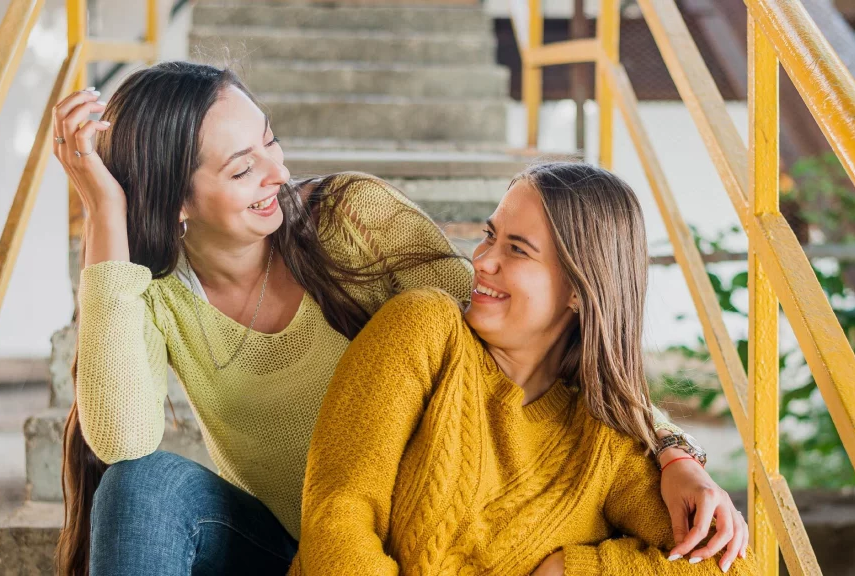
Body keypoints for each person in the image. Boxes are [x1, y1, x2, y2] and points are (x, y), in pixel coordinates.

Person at [52, 62, 747, 576]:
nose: (278, 172)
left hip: (407, 533)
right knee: (141, 488)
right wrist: (105, 217)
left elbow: (497, 333)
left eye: (271, 141)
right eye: (242, 169)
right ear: (177, 200)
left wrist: (672, 450)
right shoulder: (151, 295)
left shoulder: (352, 220)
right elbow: (122, 438)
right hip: (301, 543)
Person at [291, 163, 754, 575]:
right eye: (490, 234)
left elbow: (731, 567)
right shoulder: (425, 330)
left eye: (517, 249)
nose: (482, 258)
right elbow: (338, 516)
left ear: (578, 289)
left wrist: (571, 570)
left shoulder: (602, 443)